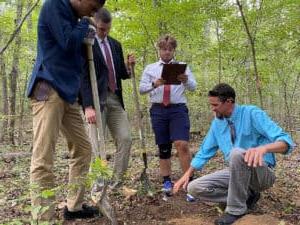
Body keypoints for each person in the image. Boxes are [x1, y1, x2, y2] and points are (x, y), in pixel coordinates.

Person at [27, 0, 106, 222]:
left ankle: (74, 206)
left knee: (83, 148)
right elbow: (68, 42)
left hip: (68, 93)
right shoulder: (55, 5)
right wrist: (85, 24)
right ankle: (44, 218)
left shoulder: (75, 17)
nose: (95, 11)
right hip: (48, 87)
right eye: (94, 5)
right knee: (43, 157)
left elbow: (79, 58)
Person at [173, 83, 294, 225]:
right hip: (236, 173)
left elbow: (286, 142)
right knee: (194, 188)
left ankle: (235, 210)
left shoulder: (251, 113)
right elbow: (204, 151)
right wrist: (187, 174)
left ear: (229, 102)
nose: (212, 109)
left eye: (215, 105)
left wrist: (264, 149)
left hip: (261, 173)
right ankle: (246, 196)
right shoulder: (217, 124)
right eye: (211, 105)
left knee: (237, 153)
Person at [80, 8, 135, 187]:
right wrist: (87, 106)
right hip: (95, 100)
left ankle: (117, 182)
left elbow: (121, 73)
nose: (104, 32)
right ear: (94, 23)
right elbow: (82, 76)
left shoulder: (115, 44)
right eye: (101, 29)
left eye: (107, 29)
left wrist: (129, 67)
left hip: (115, 99)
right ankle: (98, 182)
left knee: (126, 138)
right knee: (97, 143)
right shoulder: (86, 44)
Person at [139, 35, 197, 195]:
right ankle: (166, 181)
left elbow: (193, 87)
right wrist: (154, 84)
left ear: (174, 50)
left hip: (178, 109)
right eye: (164, 49)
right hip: (158, 110)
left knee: (182, 145)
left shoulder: (182, 67)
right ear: (159, 49)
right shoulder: (150, 68)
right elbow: (141, 89)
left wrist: (185, 80)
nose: (167, 52)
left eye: (170, 49)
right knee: (164, 147)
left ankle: (189, 183)